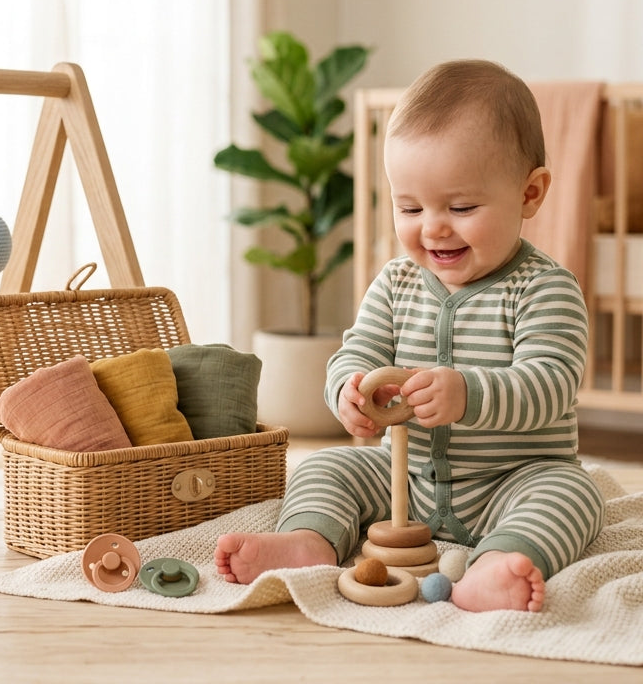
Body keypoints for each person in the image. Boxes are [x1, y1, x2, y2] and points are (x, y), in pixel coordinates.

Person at [214, 59, 605, 612]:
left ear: (530, 194)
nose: (433, 226)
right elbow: (358, 354)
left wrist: (467, 393)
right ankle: (310, 541)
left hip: (511, 479)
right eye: (411, 207)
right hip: (406, 479)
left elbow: (553, 383)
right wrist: (347, 394)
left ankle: (498, 566)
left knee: (574, 494)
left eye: (462, 206)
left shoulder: (545, 288)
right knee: (326, 465)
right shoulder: (395, 283)